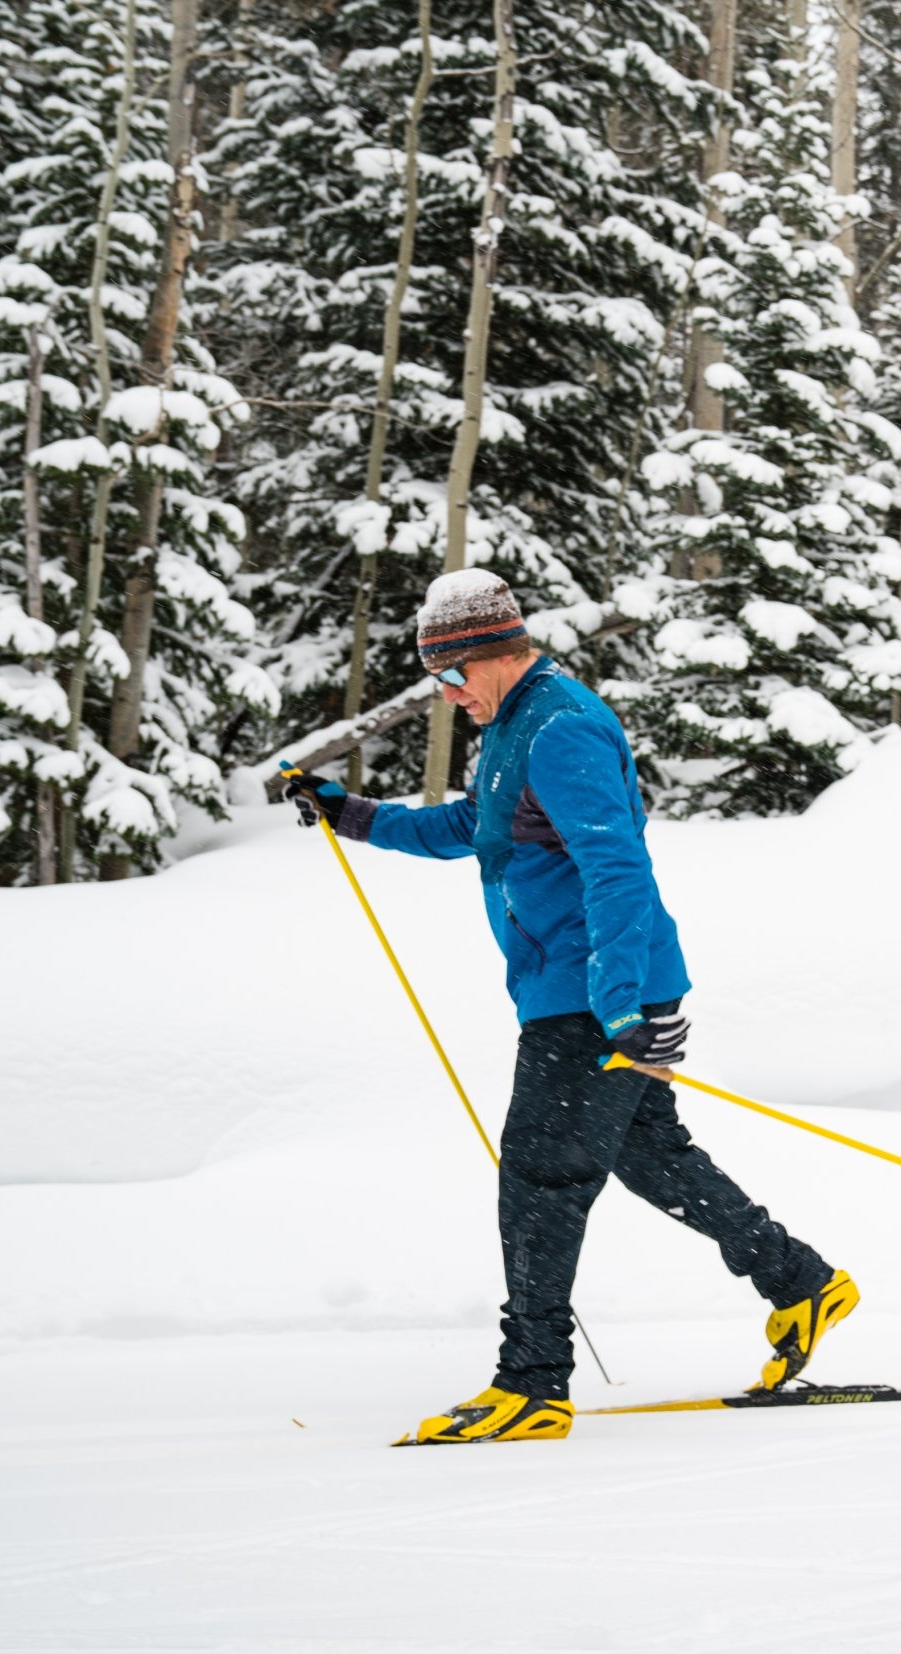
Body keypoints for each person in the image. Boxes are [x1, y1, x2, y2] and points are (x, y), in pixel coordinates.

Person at [289, 568, 857, 1445]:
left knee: (540, 1173)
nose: (447, 696)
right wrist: (353, 814)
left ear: (484, 656)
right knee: (652, 1158)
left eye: (450, 677)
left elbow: (617, 866)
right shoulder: (516, 727)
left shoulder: (561, 729)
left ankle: (532, 1383)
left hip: (593, 994)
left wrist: (622, 1003)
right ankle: (800, 1282)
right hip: (584, 985)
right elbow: (465, 830)